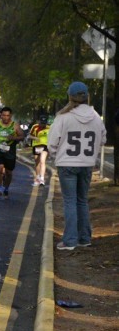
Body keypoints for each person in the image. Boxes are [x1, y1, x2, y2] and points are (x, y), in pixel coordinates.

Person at [49, 82, 106, 251]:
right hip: (87, 164)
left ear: (70, 96)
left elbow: (52, 143)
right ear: (87, 96)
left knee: (70, 201)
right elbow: (103, 139)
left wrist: (56, 155)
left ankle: (70, 240)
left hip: (67, 163)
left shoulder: (63, 117)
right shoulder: (95, 116)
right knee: (82, 200)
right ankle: (84, 238)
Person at [0, 106, 24, 200]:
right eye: (3, 115)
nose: (5, 117)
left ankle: (6, 189)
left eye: (7, 115)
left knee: (8, 172)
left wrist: (14, 138)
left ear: (10, 116)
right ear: (1, 115)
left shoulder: (15, 125)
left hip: (10, 151)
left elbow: (22, 136)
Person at [29, 114, 51, 186]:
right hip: (36, 146)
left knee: (42, 161)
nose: (43, 125)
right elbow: (29, 135)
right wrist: (35, 138)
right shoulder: (35, 127)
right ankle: (38, 177)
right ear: (39, 121)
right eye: (41, 123)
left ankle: (42, 179)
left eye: (44, 123)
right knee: (37, 162)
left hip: (45, 146)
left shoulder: (49, 128)